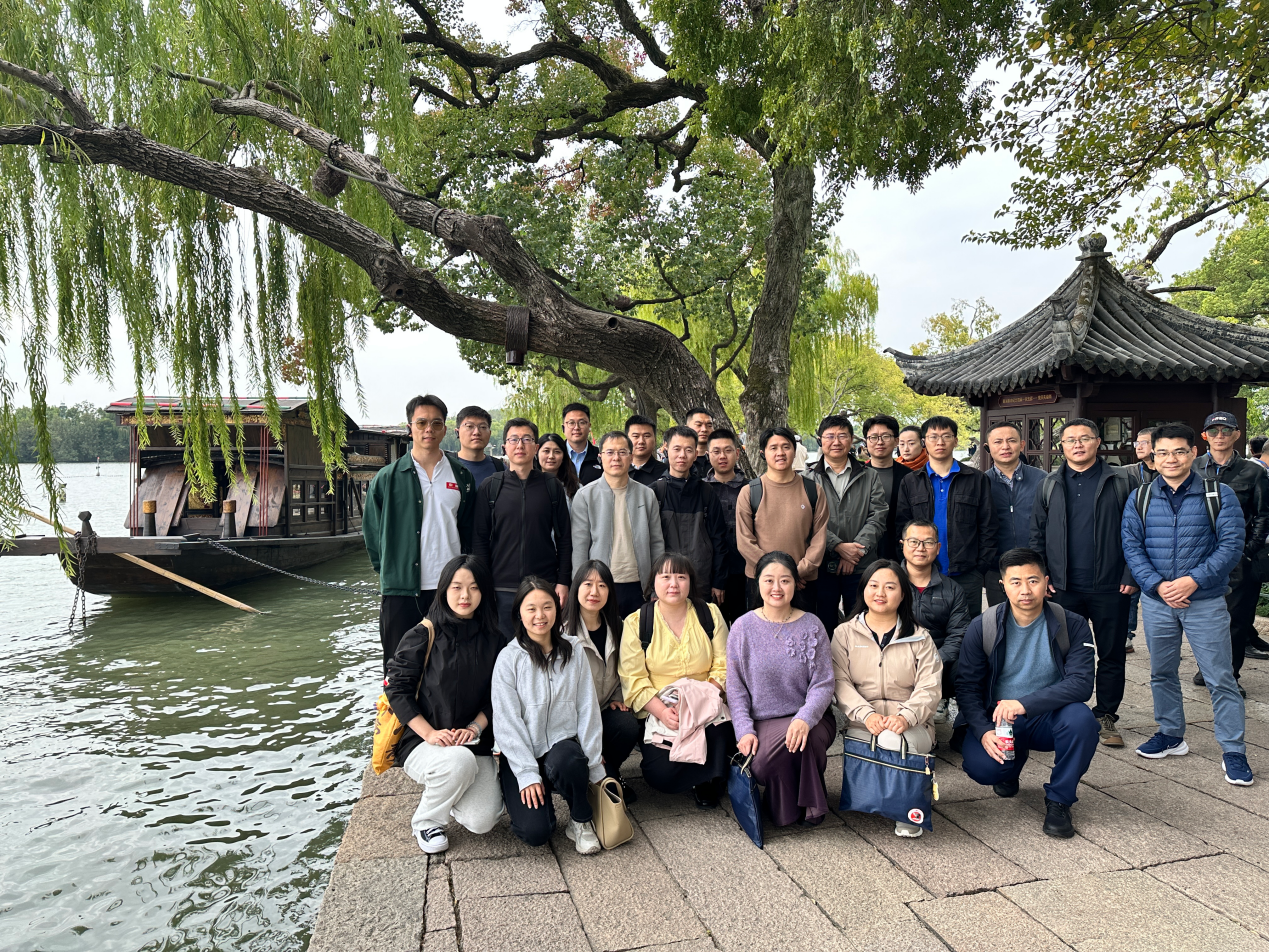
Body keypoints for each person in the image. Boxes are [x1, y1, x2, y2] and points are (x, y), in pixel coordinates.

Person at [1122, 423, 1253, 785]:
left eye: (1179, 451)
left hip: (1205, 600)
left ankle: (1233, 750)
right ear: (1153, 456)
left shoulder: (1218, 494)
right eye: (1162, 452)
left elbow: (1231, 545)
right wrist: (1157, 585)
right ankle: (1170, 734)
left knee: (1220, 677)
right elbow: (1132, 545)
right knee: (1161, 672)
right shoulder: (1141, 497)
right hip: (1158, 602)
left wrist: (1193, 580)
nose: (1171, 459)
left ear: (1194, 453)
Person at [957, 548, 1100, 838]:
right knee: (983, 769)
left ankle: (1059, 800)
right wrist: (983, 731)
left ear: (1046, 582)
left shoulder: (1071, 624)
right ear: (1003, 585)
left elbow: (1081, 683)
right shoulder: (983, 626)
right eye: (1016, 582)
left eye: (1033, 581)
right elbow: (967, 687)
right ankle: (1010, 770)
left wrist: (1024, 703)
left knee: (1082, 720)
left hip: (1049, 717)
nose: (1025, 590)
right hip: (999, 719)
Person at [385, 555, 505, 854]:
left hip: (472, 742)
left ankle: (449, 787)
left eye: (474, 587)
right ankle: (426, 822)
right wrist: (430, 734)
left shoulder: (494, 639)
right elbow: (397, 689)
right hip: (423, 741)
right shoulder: (423, 634)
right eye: (457, 587)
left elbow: (499, 695)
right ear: (443, 590)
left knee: (483, 820)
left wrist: (475, 727)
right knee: (457, 762)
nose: (465, 596)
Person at [1028, 418, 1135, 748]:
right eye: (1070, 439)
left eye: (1084, 438)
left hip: (1110, 586)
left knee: (1112, 654)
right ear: (1061, 446)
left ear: (1097, 442)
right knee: (1057, 653)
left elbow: (1136, 531)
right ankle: (1060, 714)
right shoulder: (1049, 484)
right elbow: (1037, 534)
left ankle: (1106, 715)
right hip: (1062, 587)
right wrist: (1040, 576)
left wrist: (1131, 573)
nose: (1077, 444)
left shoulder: (1120, 481)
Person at [492, 578, 606, 853]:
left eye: (547, 607)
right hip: (522, 753)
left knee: (570, 759)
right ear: (519, 613)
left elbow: (587, 707)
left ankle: (580, 819)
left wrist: (593, 764)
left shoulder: (573, 650)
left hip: (561, 747)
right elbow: (507, 723)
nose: (540, 615)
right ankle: (524, 791)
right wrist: (526, 773)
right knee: (536, 832)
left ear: (557, 609)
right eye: (531, 609)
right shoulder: (508, 659)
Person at [365, 394, 477, 675]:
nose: (429, 429)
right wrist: (390, 570)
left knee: (448, 667)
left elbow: (468, 529)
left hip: (450, 588)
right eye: (422, 422)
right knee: (399, 666)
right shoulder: (387, 478)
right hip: (401, 589)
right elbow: (373, 534)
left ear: (444, 429)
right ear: (410, 427)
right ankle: (397, 707)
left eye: (436, 423)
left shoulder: (461, 476)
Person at [832, 559, 943, 837]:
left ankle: (908, 810)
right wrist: (866, 714)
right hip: (863, 724)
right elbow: (839, 681)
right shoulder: (844, 634)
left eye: (890, 587)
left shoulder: (920, 638)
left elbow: (930, 687)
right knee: (881, 740)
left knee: (892, 740)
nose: (880, 593)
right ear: (863, 590)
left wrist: (905, 717)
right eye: (874, 585)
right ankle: (880, 795)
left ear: (903, 594)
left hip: (913, 725)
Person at [729, 551, 835, 827]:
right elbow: (735, 688)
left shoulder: (812, 624)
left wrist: (804, 718)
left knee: (805, 740)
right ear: (757, 583)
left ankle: (803, 810)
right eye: (769, 580)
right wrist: (744, 730)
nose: (777, 587)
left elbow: (824, 683)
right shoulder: (742, 628)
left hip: (813, 716)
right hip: (764, 720)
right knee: (763, 762)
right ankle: (799, 804)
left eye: (785, 580)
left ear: (796, 584)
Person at [619, 553, 732, 807]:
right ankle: (707, 771)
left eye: (681, 577)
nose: (674, 584)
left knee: (720, 734)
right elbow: (633, 679)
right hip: (663, 709)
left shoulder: (709, 614)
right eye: (666, 577)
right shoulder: (637, 623)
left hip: (706, 702)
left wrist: (702, 700)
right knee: (660, 774)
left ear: (690, 581)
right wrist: (663, 711)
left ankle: (708, 779)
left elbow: (724, 663)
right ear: (654, 582)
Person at [472, 418, 572, 639]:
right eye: (514, 440)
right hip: (501, 589)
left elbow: (565, 538)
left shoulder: (551, 486)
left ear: (535, 447)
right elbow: (479, 539)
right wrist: (484, 584)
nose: (520, 445)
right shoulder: (491, 486)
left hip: (543, 585)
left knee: (543, 648)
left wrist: (563, 581)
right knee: (503, 650)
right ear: (504, 447)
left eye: (527, 439)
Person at [1193, 410, 1269, 679]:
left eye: (1226, 430)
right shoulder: (1192, 467)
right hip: (1197, 554)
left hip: (1238, 555)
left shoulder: (1253, 471)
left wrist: (1247, 551)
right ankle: (1206, 668)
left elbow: (1263, 514)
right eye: (1213, 431)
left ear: (1237, 434)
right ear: (1205, 436)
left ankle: (1228, 675)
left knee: (1236, 619)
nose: (1220, 436)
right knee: (1201, 616)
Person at [896, 416, 998, 615]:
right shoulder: (911, 481)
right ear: (924, 442)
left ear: (956, 441)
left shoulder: (976, 479)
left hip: (966, 575)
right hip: (921, 574)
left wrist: (979, 568)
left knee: (967, 630)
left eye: (946, 436)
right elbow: (901, 526)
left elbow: (989, 525)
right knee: (921, 629)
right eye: (933, 437)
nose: (940, 442)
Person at [562, 560, 641, 801]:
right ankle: (596, 772)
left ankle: (609, 771)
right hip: (573, 720)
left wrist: (617, 697)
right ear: (576, 588)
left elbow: (625, 669)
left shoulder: (618, 626)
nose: (594, 592)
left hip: (604, 708)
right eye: (588, 584)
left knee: (628, 724)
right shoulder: (563, 633)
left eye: (602, 585)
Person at [809, 414, 889, 637]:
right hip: (822, 564)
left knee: (862, 625)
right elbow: (807, 521)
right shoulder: (808, 479)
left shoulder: (870, 476)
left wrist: (855, 551)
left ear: (852, 440)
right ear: (820, 440)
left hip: (861, 565)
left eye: (842, 436)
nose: (836, 442)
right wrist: (837, 546)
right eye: (830, 436)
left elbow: (878, 516)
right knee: (823, 625)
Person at [735, 426, 830, 612]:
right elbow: (745, 541)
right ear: (763, 453)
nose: (780, 453)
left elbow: (819, 539)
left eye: (786, 447)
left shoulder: (813, 491)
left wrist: (796, 573)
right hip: (761, 581)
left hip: (802, 581)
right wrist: (778, 575)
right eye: (773, 448)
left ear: (795, 450)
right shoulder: (750, 492)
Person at [572, 431, 666, 616]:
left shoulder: (647, 495)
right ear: (600, 458)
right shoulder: (585, 496)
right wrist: (581, 588)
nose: (616, 458)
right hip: (599, 585)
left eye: (622, 452)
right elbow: (580, 547)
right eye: (610, 452)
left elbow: (656, 543)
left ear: (631, 457)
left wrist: (657, 585)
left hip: (640, 585)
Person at [901, 519, 970, 725]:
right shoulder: (889, 583)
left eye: (928, 543)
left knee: (972, 665)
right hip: (897, 663)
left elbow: (959, 633)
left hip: (940, 664)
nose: (920, 548)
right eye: (914, 541)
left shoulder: (953, 589)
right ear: (903, 544)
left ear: (938, 548)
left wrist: (934, 661)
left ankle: (966, 727)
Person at [652, 426, 729, 604]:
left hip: (701, 579)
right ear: (666, 449)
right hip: (665, 582)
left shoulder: (706, 492)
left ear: (695, 454)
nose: (682, 455)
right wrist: (652, 587)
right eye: (677, 449)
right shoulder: (655, 492)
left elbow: (719, 539)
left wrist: (719, 581)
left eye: (688, 450)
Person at [984, 422, 1046, 608]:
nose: (1005, 446)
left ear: (1022, 445)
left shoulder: (1043, 479)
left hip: (1037, 566)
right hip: (997, 568)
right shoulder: (981, 482)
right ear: (988, 447)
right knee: (1000, 619)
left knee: (1040, 619)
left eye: (1011, 440)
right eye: (998, 442)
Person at [705, 428, 750, 623]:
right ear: (708, 454)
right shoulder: (700, 489)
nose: (722, 456)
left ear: (737, 453)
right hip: (709, 574)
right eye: (716, 451)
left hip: (746, 572)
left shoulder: (752, 488)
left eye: (728, 450)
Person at [1125, 426, 1160, 646]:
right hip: (1136, 536)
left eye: (1144, 442)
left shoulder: (1170, 471)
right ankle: (1127, 633)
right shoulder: (1128, 472)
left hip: (1162, 538)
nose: (1138, 446)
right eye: (1137, 443)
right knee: (1129, 590)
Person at [861, 414, 904, 559]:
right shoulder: (855, 475)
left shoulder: (910, 477)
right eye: (873, 437)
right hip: (861, 551)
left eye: (886, 436)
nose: (879, 442)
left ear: (896, 441)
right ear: (866, 441)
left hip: (896, 550)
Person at [454, 405, 504, 487]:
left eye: (483, 427)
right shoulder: (445, 465)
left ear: (490, 433)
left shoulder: (500, 469)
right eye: (469, 426)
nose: (476, 432)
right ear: (457, 432)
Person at [562, 402, 604, 485]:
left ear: (589, 427)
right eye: (571, 423)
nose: (576, 428)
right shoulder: (555, 456)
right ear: (563, 428)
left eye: (582, 422)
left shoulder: (601, 456)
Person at [626, 414, 668, 486]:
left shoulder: (666, 472)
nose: (641, 441)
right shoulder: (616, 471)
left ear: (655, 440)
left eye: (646, 436)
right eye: (636, 436)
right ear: (625, 440)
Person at [537, 433, 581, 501]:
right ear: (537, 454)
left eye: (557, 452)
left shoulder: (576, 487)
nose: (551, 456)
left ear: (563, 456)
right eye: (546, 451)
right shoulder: (528, 484)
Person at [684, 406, 716, 478]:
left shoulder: (720, 459)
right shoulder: (679, 459)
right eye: (698, 425)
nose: (704, 429)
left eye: (709, 425)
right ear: (686, 428)